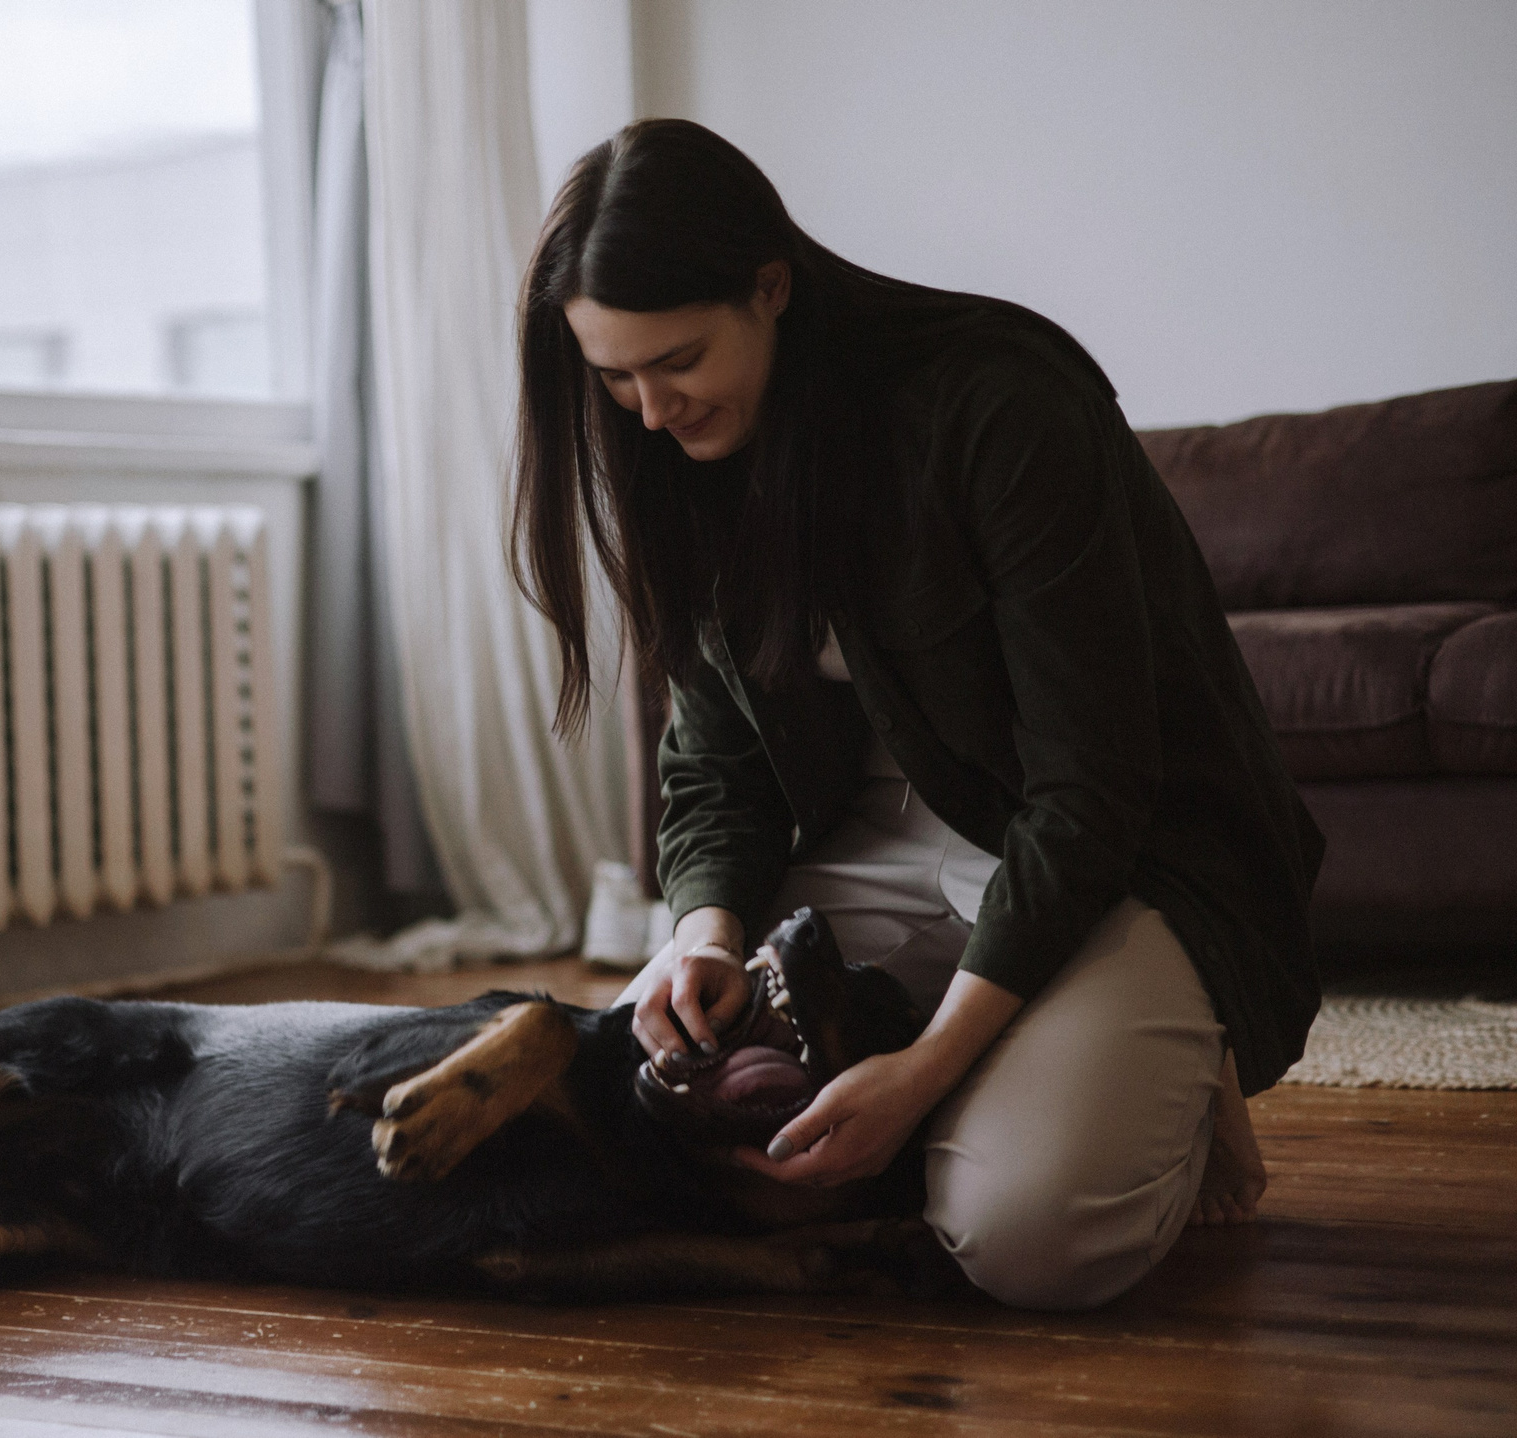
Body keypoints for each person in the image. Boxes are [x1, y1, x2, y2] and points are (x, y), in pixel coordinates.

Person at [510, 120, 1322, 1309]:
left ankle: (1164, 1076)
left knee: (1026, 1238)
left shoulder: (1000, 406)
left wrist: (926, 1070)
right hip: (867, 836)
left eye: (675, 360)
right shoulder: (678, 459)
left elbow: (1091, 790)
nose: (648, 411)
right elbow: (715, 771)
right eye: (613, 376)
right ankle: (1077, 1075)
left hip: (1109, 848)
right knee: (632, 1116)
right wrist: (707, 937)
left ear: (770, 287)